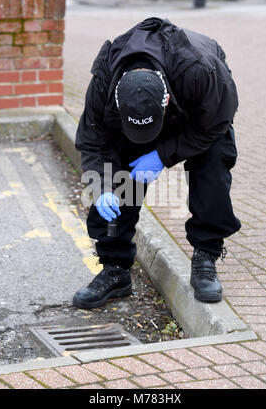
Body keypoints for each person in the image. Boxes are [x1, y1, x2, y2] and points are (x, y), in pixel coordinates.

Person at [73, 17, 241, 310]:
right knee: (116, 174)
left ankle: (206, 254)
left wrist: (162, 155)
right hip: (137, 111)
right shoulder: (103, 81)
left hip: (195, 113)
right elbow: (92, 141)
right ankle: (115, 268)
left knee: (213, 163)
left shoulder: (200, 70)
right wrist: (101, 186)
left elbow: (216, 122)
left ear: (164, 100)